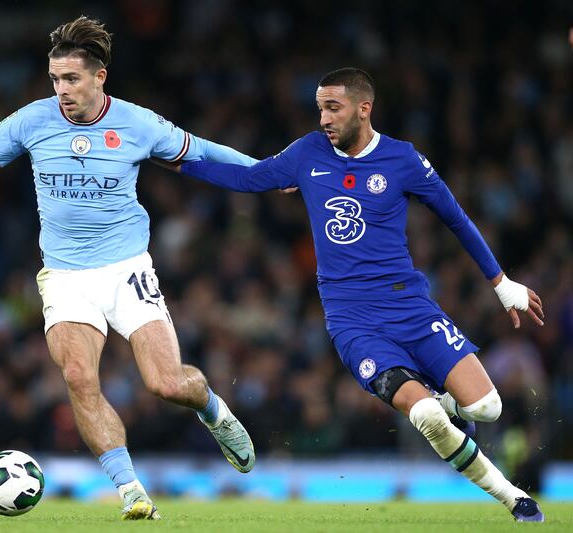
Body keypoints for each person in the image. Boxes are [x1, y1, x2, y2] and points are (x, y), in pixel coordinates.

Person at [0, 16, 256, 520]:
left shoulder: (137, 124)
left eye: (72, 79)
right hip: (65, 277)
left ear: (100, 76)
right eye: (55, 79)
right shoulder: (31, 122)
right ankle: (131, 491)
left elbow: (205, 155)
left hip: (126, 269)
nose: (61, 90)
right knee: (80, 376)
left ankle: (213, 409)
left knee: (167, 384)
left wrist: (269, 174)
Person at [166, 67, 545, 522]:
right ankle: (514, 498)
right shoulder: (307, 153)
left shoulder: (403, 160)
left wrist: (502, 284)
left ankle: (445, 402)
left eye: (333, 107)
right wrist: (177, 160)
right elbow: (250, 179)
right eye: (320, 107)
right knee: (424, 416)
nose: (323, 118)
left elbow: (457, 219)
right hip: (352, 321)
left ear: (364, 109)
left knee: (486, 407)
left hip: (409, 305)